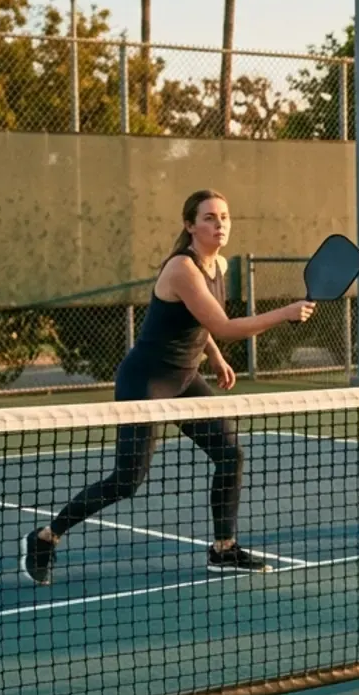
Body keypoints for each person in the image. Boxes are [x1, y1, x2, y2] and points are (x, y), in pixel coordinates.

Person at [22, 189, 314, 585]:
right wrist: (285, 313)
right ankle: (45, 537)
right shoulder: (181, 268)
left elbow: (201, 321)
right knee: (127, 481)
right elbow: (226, 328)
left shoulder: (219, 266)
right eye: (210, 217)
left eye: (224, 216)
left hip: (184, 377)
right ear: (190, 225)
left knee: (230, 454)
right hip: (146, 380)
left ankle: (223, 549)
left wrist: (212, 356)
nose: (220, 224)